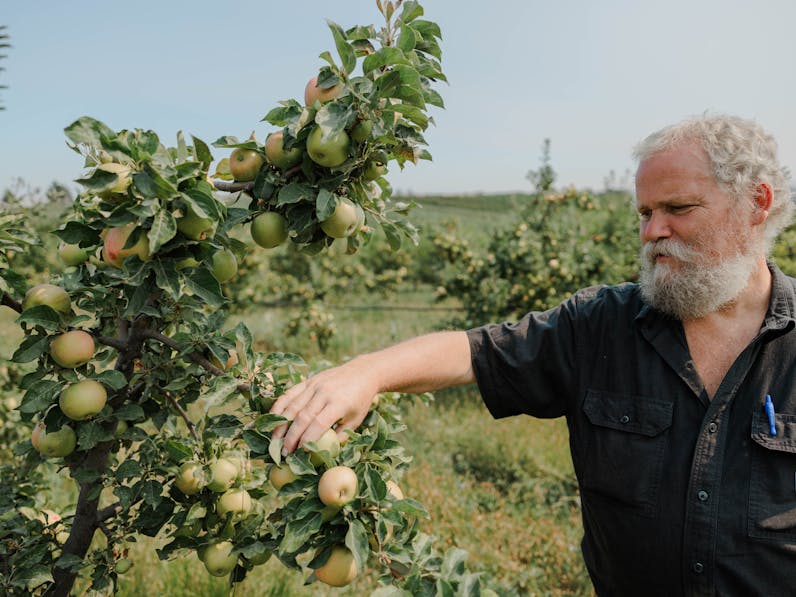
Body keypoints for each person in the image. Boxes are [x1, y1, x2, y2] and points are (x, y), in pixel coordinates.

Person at [270, 113, 796, 595]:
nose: (652, 231)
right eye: (645, 212)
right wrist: (366, 372)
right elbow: (474, 352)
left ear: (756, 203)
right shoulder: (602, 326)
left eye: (678, 208)